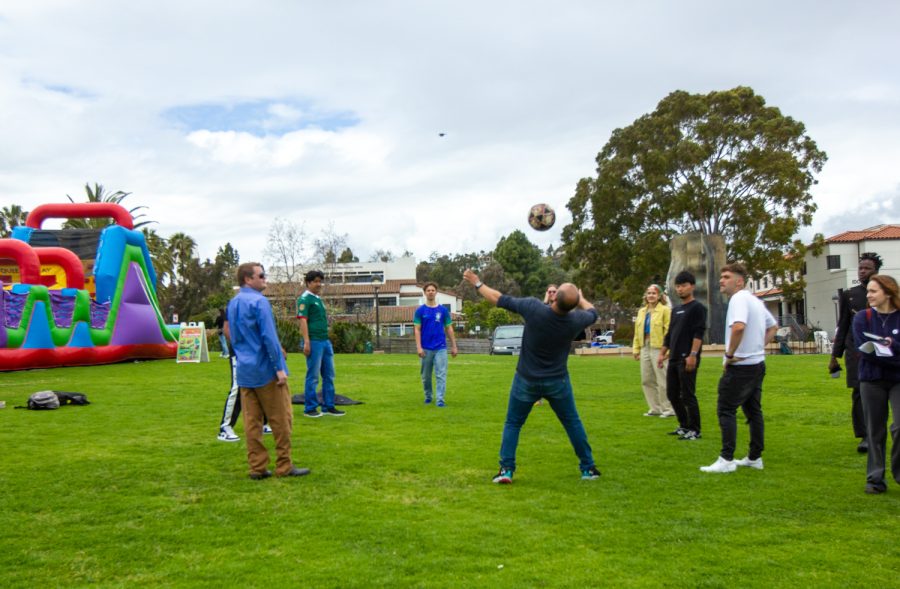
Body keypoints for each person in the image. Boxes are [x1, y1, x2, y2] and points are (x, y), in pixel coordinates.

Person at [462, 269, 601, 484]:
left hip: (526, 380)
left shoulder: (534, 309)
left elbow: (497, 298)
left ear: (553, 296)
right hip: (557, 381)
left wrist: (477, 282)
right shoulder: (576, 320)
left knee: (513, 423)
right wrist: (581, 299)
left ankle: (506, 470)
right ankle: (588, 468)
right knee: (572, 422)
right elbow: (593, 312)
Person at [227, 262, 309, 479]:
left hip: (244, 370)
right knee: (281, 419)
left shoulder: (233, 303)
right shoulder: (260, 302)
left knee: (251, 422)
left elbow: (232, 336)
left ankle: (257, 467)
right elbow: (269, 337)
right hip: (265, 370)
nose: (265, 279)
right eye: (261, 275)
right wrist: (280, 368)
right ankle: (284, 465)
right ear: (248, 279)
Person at [701, 263, 777, 474]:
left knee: (726, 409)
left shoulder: (739, 299)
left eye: (726, 277)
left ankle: (726, 459)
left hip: (741, 366)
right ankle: (754, 457)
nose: (721, 281)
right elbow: (773, 326)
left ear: (739, 281)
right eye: (721, 277)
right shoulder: (755, 300)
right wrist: (758, 348)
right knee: (753, 411)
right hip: (757, 364)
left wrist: (729, 354)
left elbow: (739, 327)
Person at [852, 274, 900, 495]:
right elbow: (866, 351)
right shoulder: (862, 317)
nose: (868, 295)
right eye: (868, 291)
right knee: (875, 430)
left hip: (898, 380)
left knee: (898, 427)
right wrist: (893, 353)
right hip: (871, 380)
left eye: (873, 291)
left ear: (888, 292)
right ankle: (875, 479)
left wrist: (891, 347)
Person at [830, 252, 883, 453]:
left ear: (876, 270)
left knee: (877, 393)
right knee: (859, 394)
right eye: (860, 268)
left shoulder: (886, 292)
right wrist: (834, 355)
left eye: (867, 268)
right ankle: (864, 436)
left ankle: (877, 431)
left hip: (880, 351)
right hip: (856, 352)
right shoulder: (850, 295)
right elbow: (842, 326)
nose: (862, 271)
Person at [658, 271, 707, 440]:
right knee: (672, 394)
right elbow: (670, 334)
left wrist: (693, 354)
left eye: (684, 286)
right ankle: (684, 425)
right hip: (674, 357)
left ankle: (695, 429)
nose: (680, 289)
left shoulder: (698, 308)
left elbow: (699, 333)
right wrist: (662, 353)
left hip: (688, 357)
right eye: (678, 286)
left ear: (692, 286)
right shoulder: (676, 310)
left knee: (688, 395)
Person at [297, 269, 345, 418]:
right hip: (314, 341)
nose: (319, 284)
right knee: (313, 376)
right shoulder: (305, 299)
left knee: (329, 375)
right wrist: (306, 341)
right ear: (308, 283)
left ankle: (328, 406)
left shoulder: (318, 299)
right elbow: (302, 320)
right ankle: (310, 408)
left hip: (325, 341)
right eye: (316, 281)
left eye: (320, 281)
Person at [217, 317, 271, 443]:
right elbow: (226, 328)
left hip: (255, 352)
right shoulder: (235, 304)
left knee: (260, 385)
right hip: (239, 353)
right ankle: (225, 427)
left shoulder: (257, 304)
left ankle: (262, 422)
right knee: (237, 387)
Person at [632, 284, 674, 417]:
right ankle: (655, 408)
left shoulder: (665, 310)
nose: (651, 296)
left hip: (659, 347)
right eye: (649, 293)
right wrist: (636, 349)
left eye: (654, 293)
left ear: (659, 296)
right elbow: (637, 332)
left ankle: (668, 409)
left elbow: (669, 331)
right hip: (645, 346)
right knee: (647, 379)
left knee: (662, 379)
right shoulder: (642, 311)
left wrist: (666, 350)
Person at [414, 282, 458, 406]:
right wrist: (419, 347)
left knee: (441, 375)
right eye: (428, 290)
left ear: (436, 292)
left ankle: (440, 400)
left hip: (441, 348)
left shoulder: (443, 310)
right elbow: (417, 329)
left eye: (433, 290)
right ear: (425, 293)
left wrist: (454, 346)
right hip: (425, 349)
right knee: (426, 376)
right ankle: (428, 396)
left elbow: (449, 328)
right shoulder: (420, 311)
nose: (431, 292)